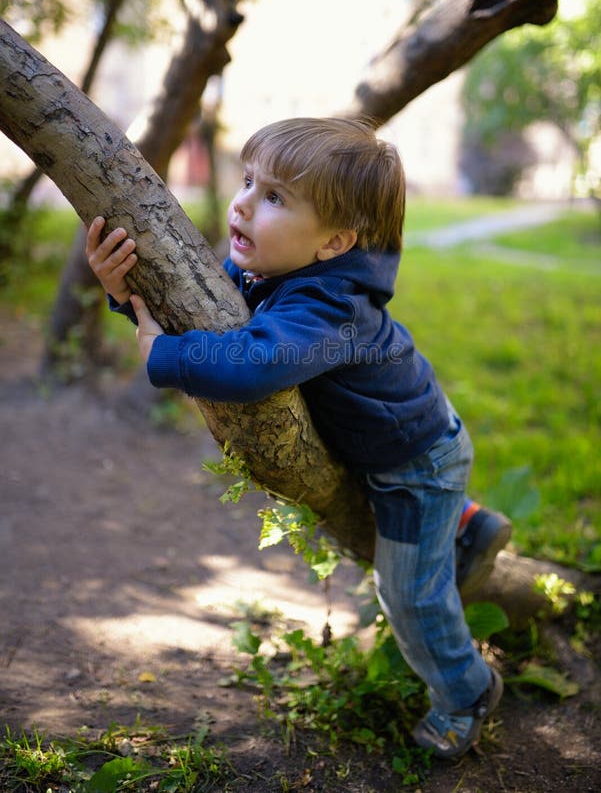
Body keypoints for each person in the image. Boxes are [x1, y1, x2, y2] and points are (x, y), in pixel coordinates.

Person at [86, 117, 511, 759]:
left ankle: (466, 690)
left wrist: (164, 358)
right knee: (409, 565)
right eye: (250, 180)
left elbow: (253, 363)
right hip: (411, 435)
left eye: (276, 197)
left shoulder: (331, 309)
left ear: (335, 241)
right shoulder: (275, 268)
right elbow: (209, 307)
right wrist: (127, 297)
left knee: (408, 595)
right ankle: (468, 524)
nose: (244, 202)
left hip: (416, 467)